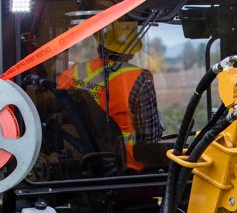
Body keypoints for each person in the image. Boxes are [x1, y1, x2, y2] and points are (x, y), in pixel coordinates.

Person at [57, 18, 163, 169]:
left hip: (79, 162)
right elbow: (149, 137)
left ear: (100, 45)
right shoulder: (139, 78)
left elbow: (62, 118)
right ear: (131, 52)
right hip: (128, 166)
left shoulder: (70, 74)